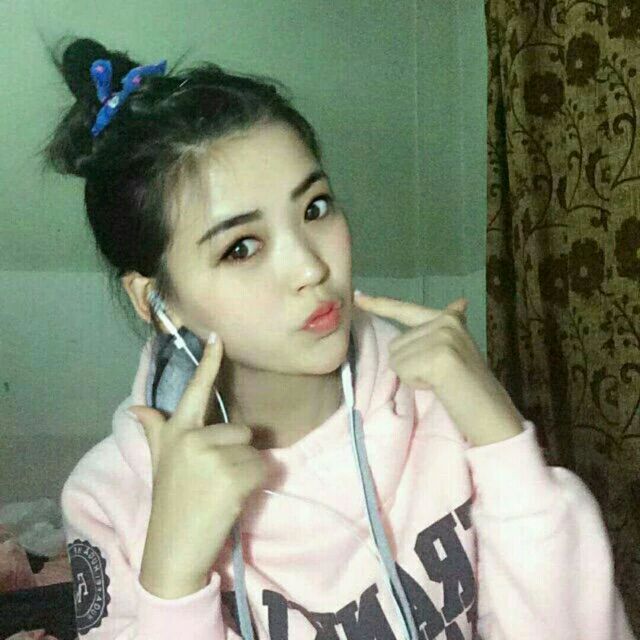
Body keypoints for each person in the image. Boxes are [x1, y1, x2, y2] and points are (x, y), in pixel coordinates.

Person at [46, 37, 636, 639]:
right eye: (241, 247)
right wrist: (172, 583)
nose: (311, 268)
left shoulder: (440, 399)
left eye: (315, 208)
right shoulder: (112, 498)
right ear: (154, 299)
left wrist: (503, 442)